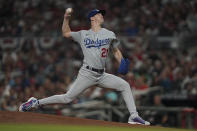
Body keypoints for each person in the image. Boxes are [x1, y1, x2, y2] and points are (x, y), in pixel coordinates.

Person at [19, 8, 150, 125]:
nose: (102, 16)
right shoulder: (82, 34)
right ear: (92, 18)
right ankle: (35, 103)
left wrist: (121, 61)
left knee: (125, 85)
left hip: (102, 75)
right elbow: (66, 33)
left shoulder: (109, 33)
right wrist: (66, 18)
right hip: (87, 73)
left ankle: (134, 116)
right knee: (67, 98)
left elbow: (115, 50)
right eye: (99, 14)